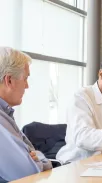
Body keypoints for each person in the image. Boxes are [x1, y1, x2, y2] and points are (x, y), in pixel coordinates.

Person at [0, 47, 52, 182]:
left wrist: (37, 158)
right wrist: (40, 160)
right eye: (25, 78)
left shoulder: (5, 114)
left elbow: (31, 152)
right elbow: (27, 172)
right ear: (9, 80)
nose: (27, 86)